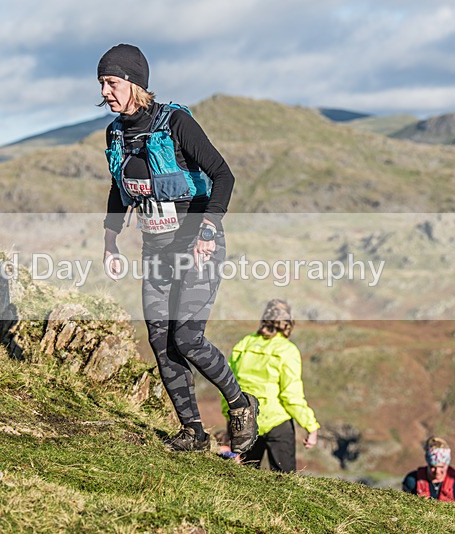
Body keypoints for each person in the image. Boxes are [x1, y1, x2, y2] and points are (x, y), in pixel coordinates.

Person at [98, 43, 258, 453]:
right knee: (159, 339)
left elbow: (224, 175)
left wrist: (208, 226)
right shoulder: (116, 133)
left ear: (134, 83)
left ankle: (240, 406)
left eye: (111, 82)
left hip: (198, 244)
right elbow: (120, 191)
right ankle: (193, 432)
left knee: (187, 338)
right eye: (101, 84)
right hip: (156, 250)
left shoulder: (176, 123)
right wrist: (110, 241)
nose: (105, 92)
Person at [222, 299, 319, 472]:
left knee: (245, 477)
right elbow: (291, 396)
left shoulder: (244, 344)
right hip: (277, 423)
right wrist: (311, 426)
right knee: (285, 480)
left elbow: (228, 384)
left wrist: (230, 418)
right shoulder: (288, 350)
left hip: (245, 421)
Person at [402, 437, 455, 503]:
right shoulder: (412, 481)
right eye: (433, 467)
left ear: (447, 464)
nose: (437, 471)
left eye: (441, 467)